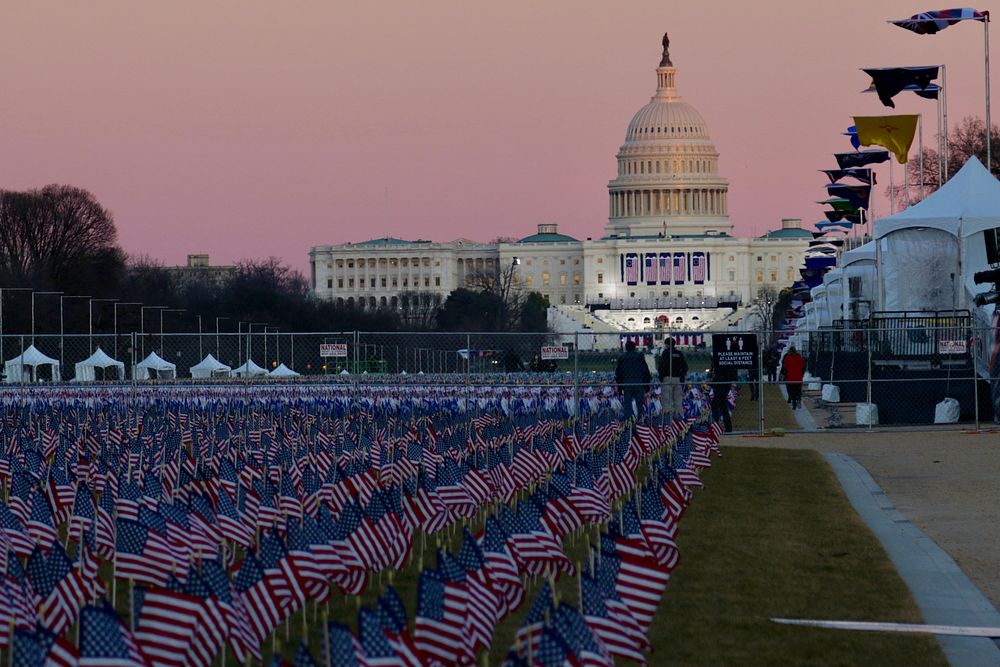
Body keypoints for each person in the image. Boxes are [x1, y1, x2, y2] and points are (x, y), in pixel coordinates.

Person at [615, 340, 651, 421]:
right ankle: (641, 421)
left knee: (628, 404)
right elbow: (645, 371)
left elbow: (618, 373)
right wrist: (647, 384)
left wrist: (620, 387)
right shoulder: (639, 356)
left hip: (627, 384)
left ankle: (628, 421)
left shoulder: (622, 357)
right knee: (639, 404)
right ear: (634, 348)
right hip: (639, 383)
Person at [656, 337, 688, 414]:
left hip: (667, 378)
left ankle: (669, 420)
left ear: (666, 344)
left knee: (667, 401)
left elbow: (662, 366)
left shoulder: (666, 353)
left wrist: (661, 377)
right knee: (678, 401)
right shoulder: (679, 353)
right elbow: (685, 367)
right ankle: (679, 420)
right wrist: (681, 376)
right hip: (678, 378)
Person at [710, 364, 737, 432]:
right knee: (721, 406)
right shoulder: (716, 361)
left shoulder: (723, 361)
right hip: (718, 383)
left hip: (723, 383)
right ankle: (726, 428)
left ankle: (717, 426)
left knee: (717, 405)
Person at [782, 345, 807, 410]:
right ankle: (798, 398)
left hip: (790, 377)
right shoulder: (799, 357)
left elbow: (785, 367)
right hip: (798, 376)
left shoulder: (787, 357)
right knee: (798, 389)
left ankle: (793, 403)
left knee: (792, 390)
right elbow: (803, 366)